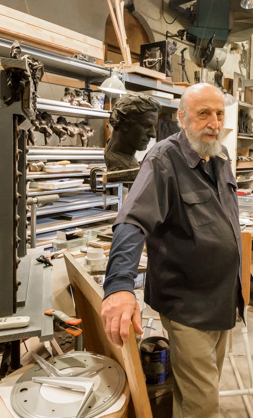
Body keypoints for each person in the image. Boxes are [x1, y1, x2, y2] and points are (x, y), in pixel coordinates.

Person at [101, 83, 242, 417]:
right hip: (189, 304)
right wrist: (119, 286)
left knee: (196, 390)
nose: (214, 122)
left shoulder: (220, 156)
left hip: (223, 300)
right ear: (182, 118)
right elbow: (132, 220)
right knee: (204, 405)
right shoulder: (164, 159)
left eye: (219, 113)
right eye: (203, 113)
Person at [103, 93, 160, 180]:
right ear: (124, 124)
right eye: (146, 125)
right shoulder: (119, 165)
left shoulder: (130, 161)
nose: (153, 134)